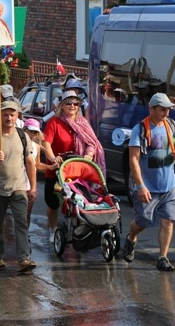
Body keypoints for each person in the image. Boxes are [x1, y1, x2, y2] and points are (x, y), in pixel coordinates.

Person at [124, 93, 175, 272]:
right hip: (148, 187)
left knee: (168, 221)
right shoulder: (140, 129)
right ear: (151, 109)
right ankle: (131, 238)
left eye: (168, 109)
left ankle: (163, 257)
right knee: (142, 222)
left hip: (169, 186)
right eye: (162, 109)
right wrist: (140, 186)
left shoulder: (171, 125)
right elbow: (134, 160)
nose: (166, 113)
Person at [0, 101, 36, 273]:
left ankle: (24, 259)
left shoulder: (22, 136)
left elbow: (29, 162)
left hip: (18, 186)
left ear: (17, 116)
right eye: (5, 114)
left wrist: (33, 187)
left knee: (21, 222)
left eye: (12, 114)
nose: (9, 118)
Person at [43, 90, 106, 242]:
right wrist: (52, 158)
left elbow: (92, 142)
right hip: (57, 169)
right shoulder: (54, 122)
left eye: (76, 103)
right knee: (53, 202)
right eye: (68, 103)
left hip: (78, 169)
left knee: (79, 200)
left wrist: (89, 155)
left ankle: (78, 229)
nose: (72, 106)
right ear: (62, 106)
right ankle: (52, 230)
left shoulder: (83, 123)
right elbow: (46, 143)